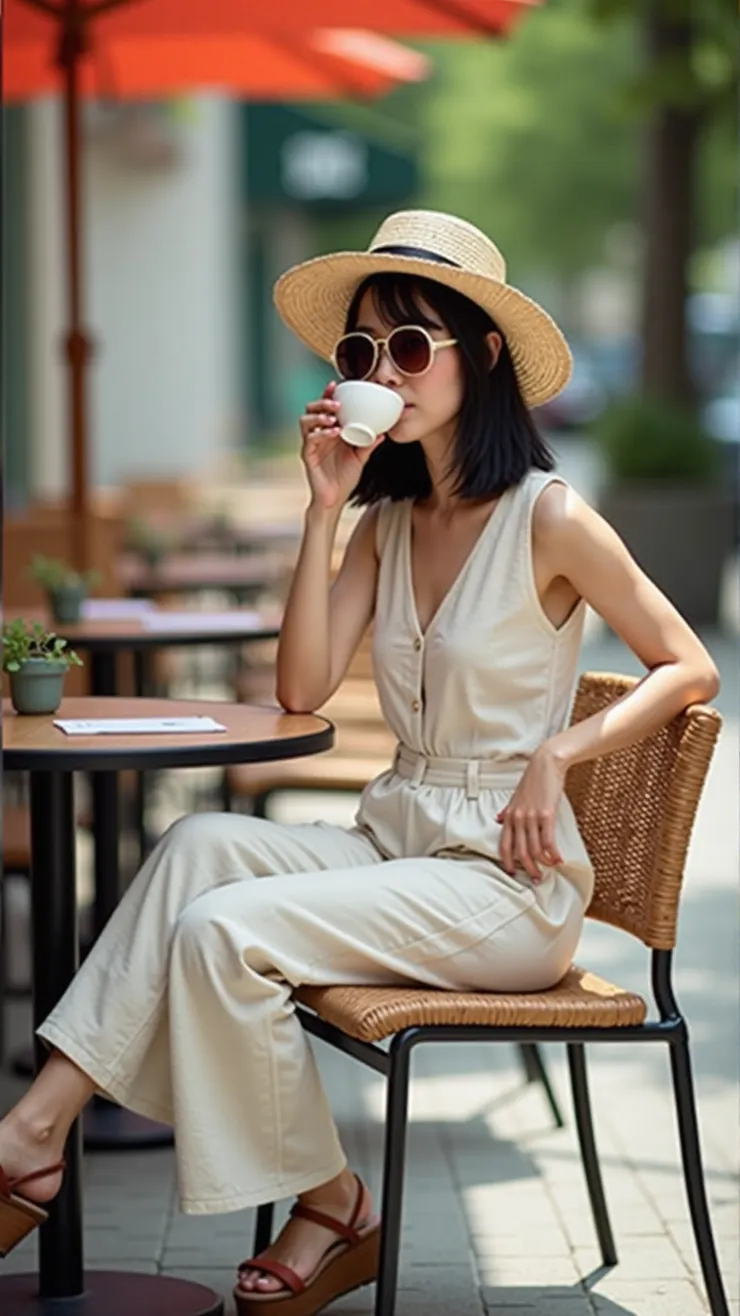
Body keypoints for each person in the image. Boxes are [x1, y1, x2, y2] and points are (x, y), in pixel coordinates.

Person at [0, 210, 719, 1316]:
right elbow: (297, 687)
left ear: (479, 357)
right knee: (196, 845)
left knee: (223, 930)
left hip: (504, 889)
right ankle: (39, 1131)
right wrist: (323, 507)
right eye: (360, 353)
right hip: (392, 847)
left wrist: (558, 750)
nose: (382, 372)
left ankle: (333, 1200)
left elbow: (686, 666)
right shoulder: (386, 520)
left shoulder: (552, 516)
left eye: (409, 345)